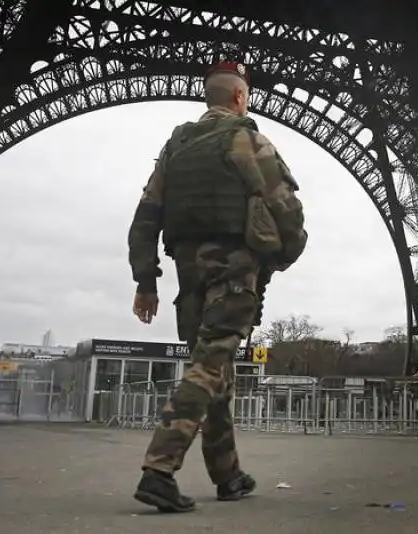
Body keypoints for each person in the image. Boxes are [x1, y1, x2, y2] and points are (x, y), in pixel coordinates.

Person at [127, 60, 308, 513]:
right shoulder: (246, 139)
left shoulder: (175, 147)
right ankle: (159, 469)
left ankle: (227, 475)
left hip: (188, 273)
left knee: (216, 371)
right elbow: (286, 210)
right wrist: (284, 255)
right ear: (240, 98)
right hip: (233, 269)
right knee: (210, 366)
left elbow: (145, 219)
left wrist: (146, 282)